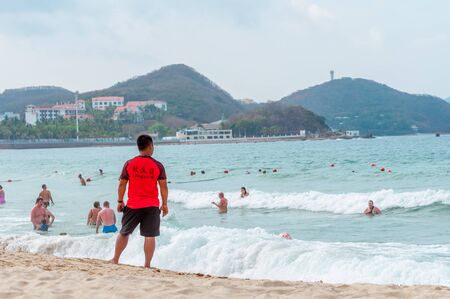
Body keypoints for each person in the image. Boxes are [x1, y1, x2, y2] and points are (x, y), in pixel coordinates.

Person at [111, 134, 168, 268]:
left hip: (133, 205)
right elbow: (163, 187)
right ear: (150, 146)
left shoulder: (129, 163)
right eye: (152, 146)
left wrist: (120, 201)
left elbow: (122, 184)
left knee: (124, 232)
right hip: (152, 205)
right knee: (149, 236)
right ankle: (147, 265)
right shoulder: (157, 165)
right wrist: (164, 204)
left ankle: (115, 259)